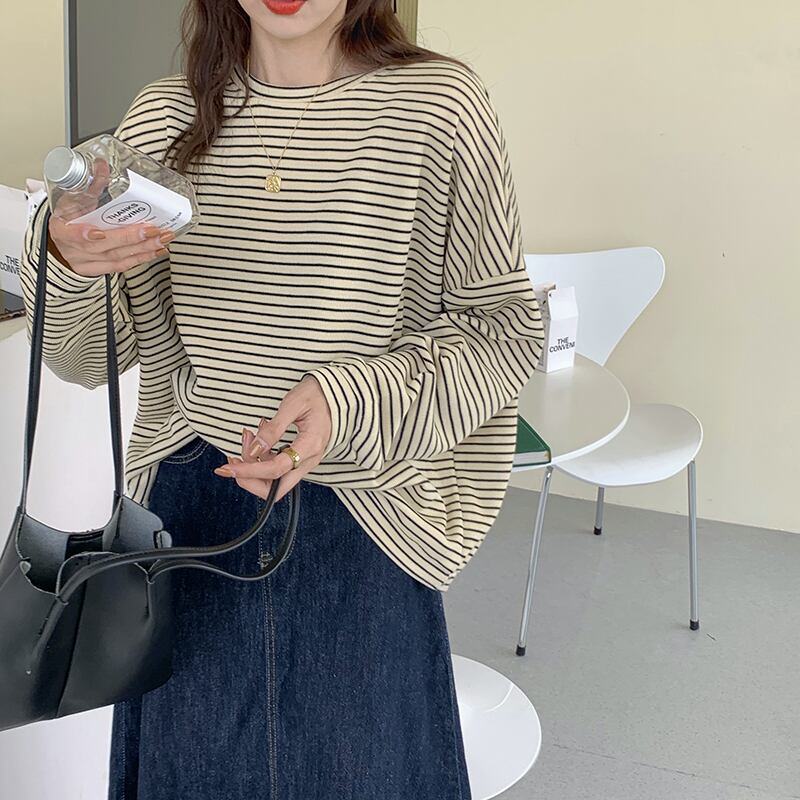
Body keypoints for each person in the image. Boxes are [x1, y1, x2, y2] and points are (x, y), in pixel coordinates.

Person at [20, 0, 544, 797]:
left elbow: (502, 331)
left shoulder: (439, 108)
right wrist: (65, 259)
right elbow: (86, 357)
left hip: (367, 518)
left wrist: (348, 403)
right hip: (190, 514)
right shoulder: (163, 120)